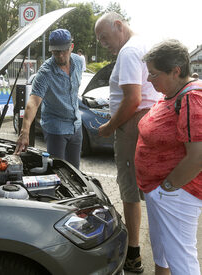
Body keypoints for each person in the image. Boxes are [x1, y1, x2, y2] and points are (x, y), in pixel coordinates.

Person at [95, 12, 161, 273]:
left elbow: (132, 99)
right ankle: (158, 252)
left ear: (119, 26)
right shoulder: (144, 44)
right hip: (147, 120)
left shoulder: (129, 51)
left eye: (104, 37)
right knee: (150, 189)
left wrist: (109, 126)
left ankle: (133, 253)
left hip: (132, 124)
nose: (103, 44)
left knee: (129, 189)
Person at [135, 39, 202, 275]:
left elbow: (198, 157)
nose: (148, 80)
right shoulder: (173, 93)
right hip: (163, 191)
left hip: (177, 193)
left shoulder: (192, 98)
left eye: (153, 74)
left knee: (182, 260)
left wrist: (166, 187)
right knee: (163, 251)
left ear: (175, 71)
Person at [14, 29, 83, 169]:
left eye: (64, 50)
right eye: (56, 52)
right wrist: (24, 132)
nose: (61, 55)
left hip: (76, 125)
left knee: (75, 171)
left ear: (71, 47)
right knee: (57, 171)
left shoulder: (78, 61)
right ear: (51, 50)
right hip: (56, 128)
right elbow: (33, 103)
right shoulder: (45, 72)